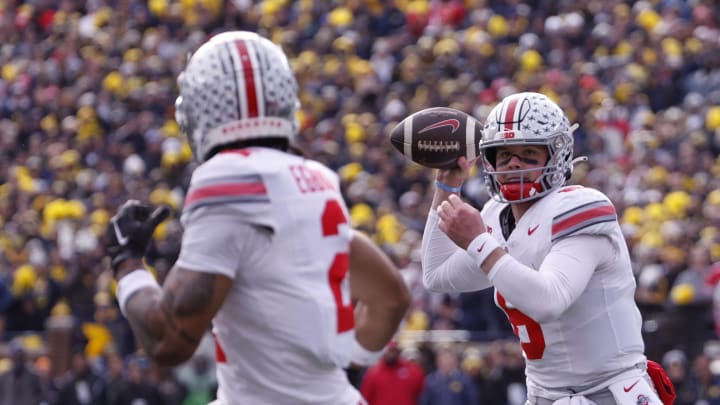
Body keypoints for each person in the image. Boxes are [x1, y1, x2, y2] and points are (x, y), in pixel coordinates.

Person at [103, 31, 410, 404]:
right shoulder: (315, 177)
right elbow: (390, 298)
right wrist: (340, 361)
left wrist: (127, 265)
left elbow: (170, 340)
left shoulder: (228, 179)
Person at [421, 92, 674, 405]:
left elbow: (549, 301)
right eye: (504, 154)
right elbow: (435, 276)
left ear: (556, 155)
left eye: (528, 153)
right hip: (544, 396)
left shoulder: (581, 206)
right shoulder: (494, 216)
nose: (513, 163)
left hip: (608, 393)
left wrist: (478, 242)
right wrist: (446, 187)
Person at [360, 341, 425, 405]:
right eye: (387, 351)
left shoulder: (413, 371)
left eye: (392, 350)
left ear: (398, 351)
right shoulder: (373, 373)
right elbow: (365, 398)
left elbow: (422, 395)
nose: (390, 354)